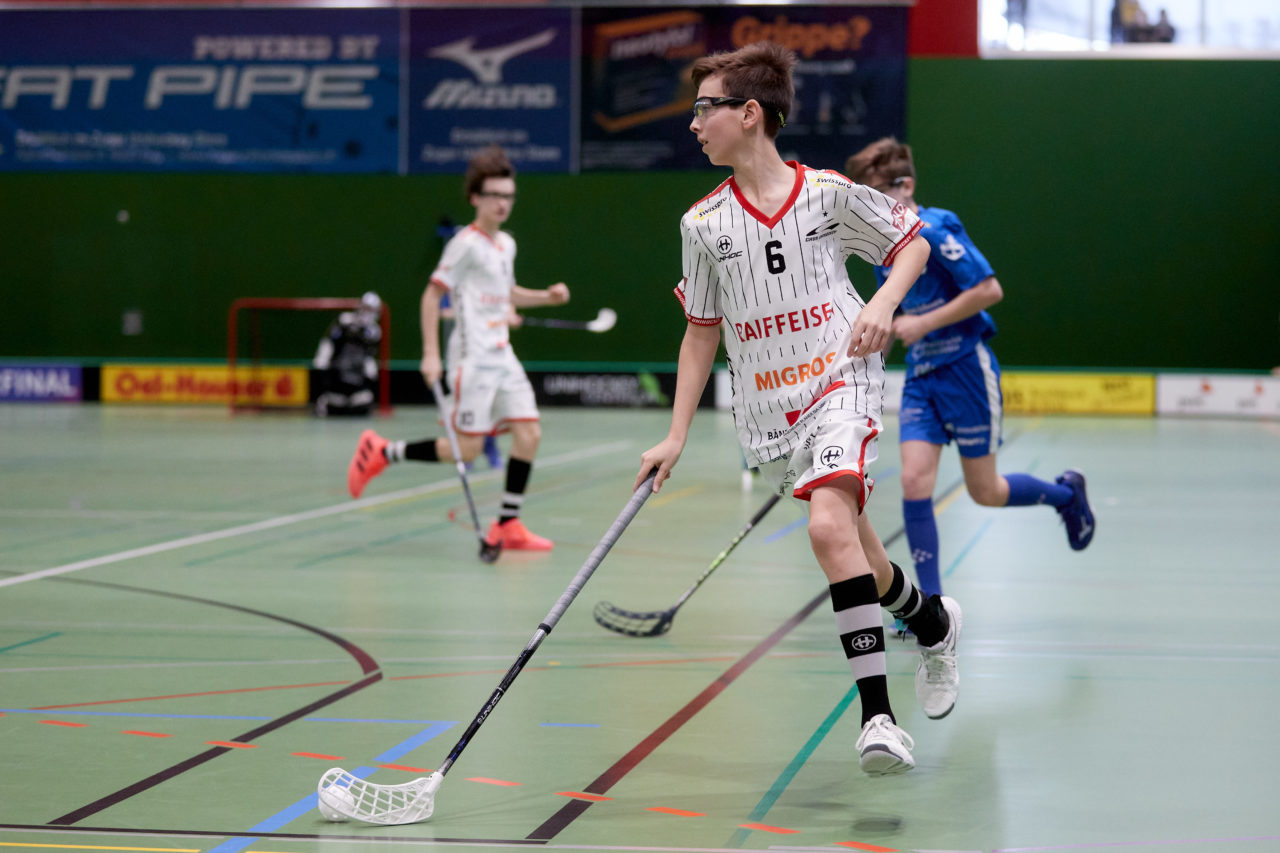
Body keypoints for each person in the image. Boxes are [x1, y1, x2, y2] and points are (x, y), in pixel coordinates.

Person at [635, 41, 960, 777]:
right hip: (770, 408)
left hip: (842, 378)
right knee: (856, 548)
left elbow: (912, 244)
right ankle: (933, 623)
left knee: (825, 527)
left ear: (750, 114)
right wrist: (675, 434)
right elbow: (700, 332)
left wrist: (882, 301)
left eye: (705, 110)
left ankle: (878, 719)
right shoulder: (703, 225)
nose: (694, 124)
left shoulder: (827, 193)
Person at [845, 138, 1095, 605]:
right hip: (922, 378)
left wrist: (923, 323)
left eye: (878, 193)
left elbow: (988, 290)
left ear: (906, 186)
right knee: (915, 481)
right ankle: (931, 605)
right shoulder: (883, 249)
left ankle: (1066, 496)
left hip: (965, 367)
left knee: (986, 491)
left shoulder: (937, 229)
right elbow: (894, 316)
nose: (872, 205)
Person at [347, 145, 570, 552]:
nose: (502, 203)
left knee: (529, 433)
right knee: (467, 448)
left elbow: (506, 293)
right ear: (475, 198)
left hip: (502, 354)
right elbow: (432, 296)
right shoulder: (464, 244)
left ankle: (508, 524)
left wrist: (545, 297)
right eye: (494, 195)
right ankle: (382, 451)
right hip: (472, 360)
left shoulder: (505, 245)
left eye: (508, 195)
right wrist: (431, 354)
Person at [313, 291, 382, 417]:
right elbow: (329, 342)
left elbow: (370, 356)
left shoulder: (374, 332)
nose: (366, 312)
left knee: (362, 407)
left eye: (370, 309)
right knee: (334, 407)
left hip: (358, 379)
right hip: (337, 375)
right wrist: (323, 362)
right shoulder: (344, 321)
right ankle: (327, 399)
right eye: (365, 308)